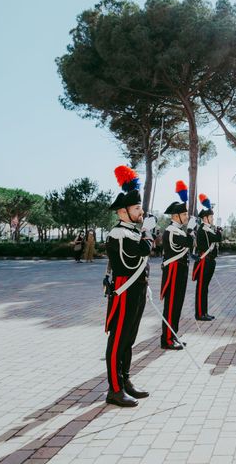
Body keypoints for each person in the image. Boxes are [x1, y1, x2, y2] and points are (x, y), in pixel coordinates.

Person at [103, 165, 155, 407]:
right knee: (118, 339)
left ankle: (125, 381)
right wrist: (148, 233)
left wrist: (145, 232)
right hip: (125, 290)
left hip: (136, 290)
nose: (141, 212)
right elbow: (136, 254)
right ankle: (114, 389)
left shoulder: (132, 231)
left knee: (130, 338)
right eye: (137, 209)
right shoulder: (119, 234)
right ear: (122, 212)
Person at [160, 180, 195, 350]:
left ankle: (173, 335)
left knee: (177, 305)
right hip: (173, 271)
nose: (186, 217)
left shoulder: (178, 230)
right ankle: (166, 339)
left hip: (180, 270)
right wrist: (190, 231)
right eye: (184, 214)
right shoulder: (171, 231)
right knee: (172, 305)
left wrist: (189, 231)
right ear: (175, 216)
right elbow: (189, 242)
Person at [193, 193, 222, 321]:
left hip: (210, 261)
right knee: (201, 288)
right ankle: (200, 313)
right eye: (211, 217)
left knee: (205, 288)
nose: (212, 219)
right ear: (205, 218)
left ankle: (204, 312)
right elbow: (217, 238)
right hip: (205, 261)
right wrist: (218, 231)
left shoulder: (208, 229)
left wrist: (217, 230)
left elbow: (217, 238)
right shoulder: (203, 230)